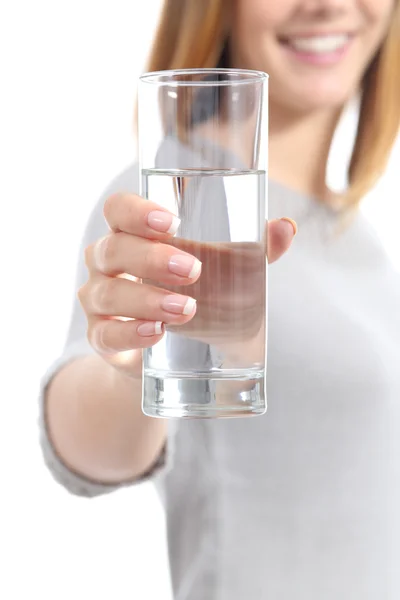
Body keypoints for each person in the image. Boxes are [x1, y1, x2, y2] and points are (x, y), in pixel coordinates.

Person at [40, 0, 400, 598]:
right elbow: (87, 449)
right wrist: (132, 369)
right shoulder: (174, 192)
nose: (328, 5)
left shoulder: (357, 236)